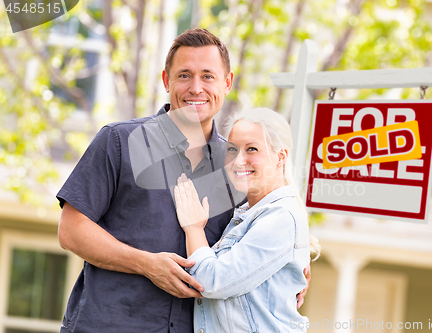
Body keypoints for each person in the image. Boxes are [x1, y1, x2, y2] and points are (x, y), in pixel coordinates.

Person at [57, 29, 310, 333]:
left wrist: (291, 273)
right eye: (184, 75)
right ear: (166, 81)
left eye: (208, 76)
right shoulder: (119, 141)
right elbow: (71, 231)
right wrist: (147, 265)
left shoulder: (238, 167)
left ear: (226, 83)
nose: (196, 88)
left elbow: (261, 242)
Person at [174, 108, 320, 332]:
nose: (238, 160)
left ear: (280, 157)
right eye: (232, 149)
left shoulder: (282, 217)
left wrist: (194, 228)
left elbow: (212, 281)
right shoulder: (246, 213)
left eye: (252, 149)